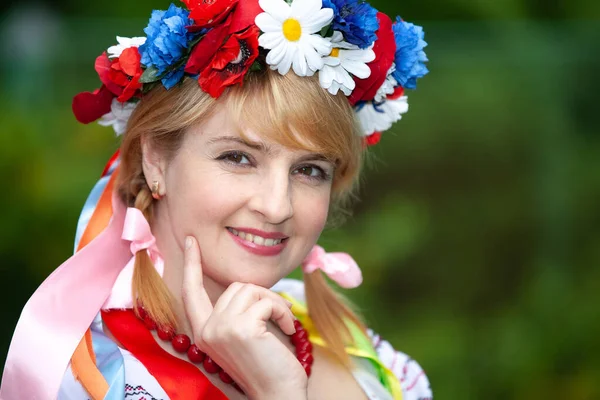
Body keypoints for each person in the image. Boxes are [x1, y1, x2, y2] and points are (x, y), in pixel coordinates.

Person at [1, 0, 432, 398]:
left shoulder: (348, 343)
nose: (277, 206)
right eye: (238, 158)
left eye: (309, 170)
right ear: (155, 160)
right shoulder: (92, 375)